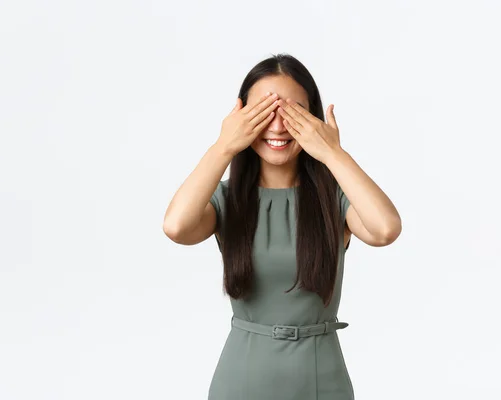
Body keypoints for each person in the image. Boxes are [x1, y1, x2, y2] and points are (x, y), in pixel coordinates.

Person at [163, 53, 402, 400]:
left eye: (292, 114)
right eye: (263, 113)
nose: (277, 127)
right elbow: (176, 227)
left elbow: (385, 230)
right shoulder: (227, 199)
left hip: (322, 381)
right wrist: (223, 146)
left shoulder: (334, 199)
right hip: (241, 381)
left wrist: (333, 153)